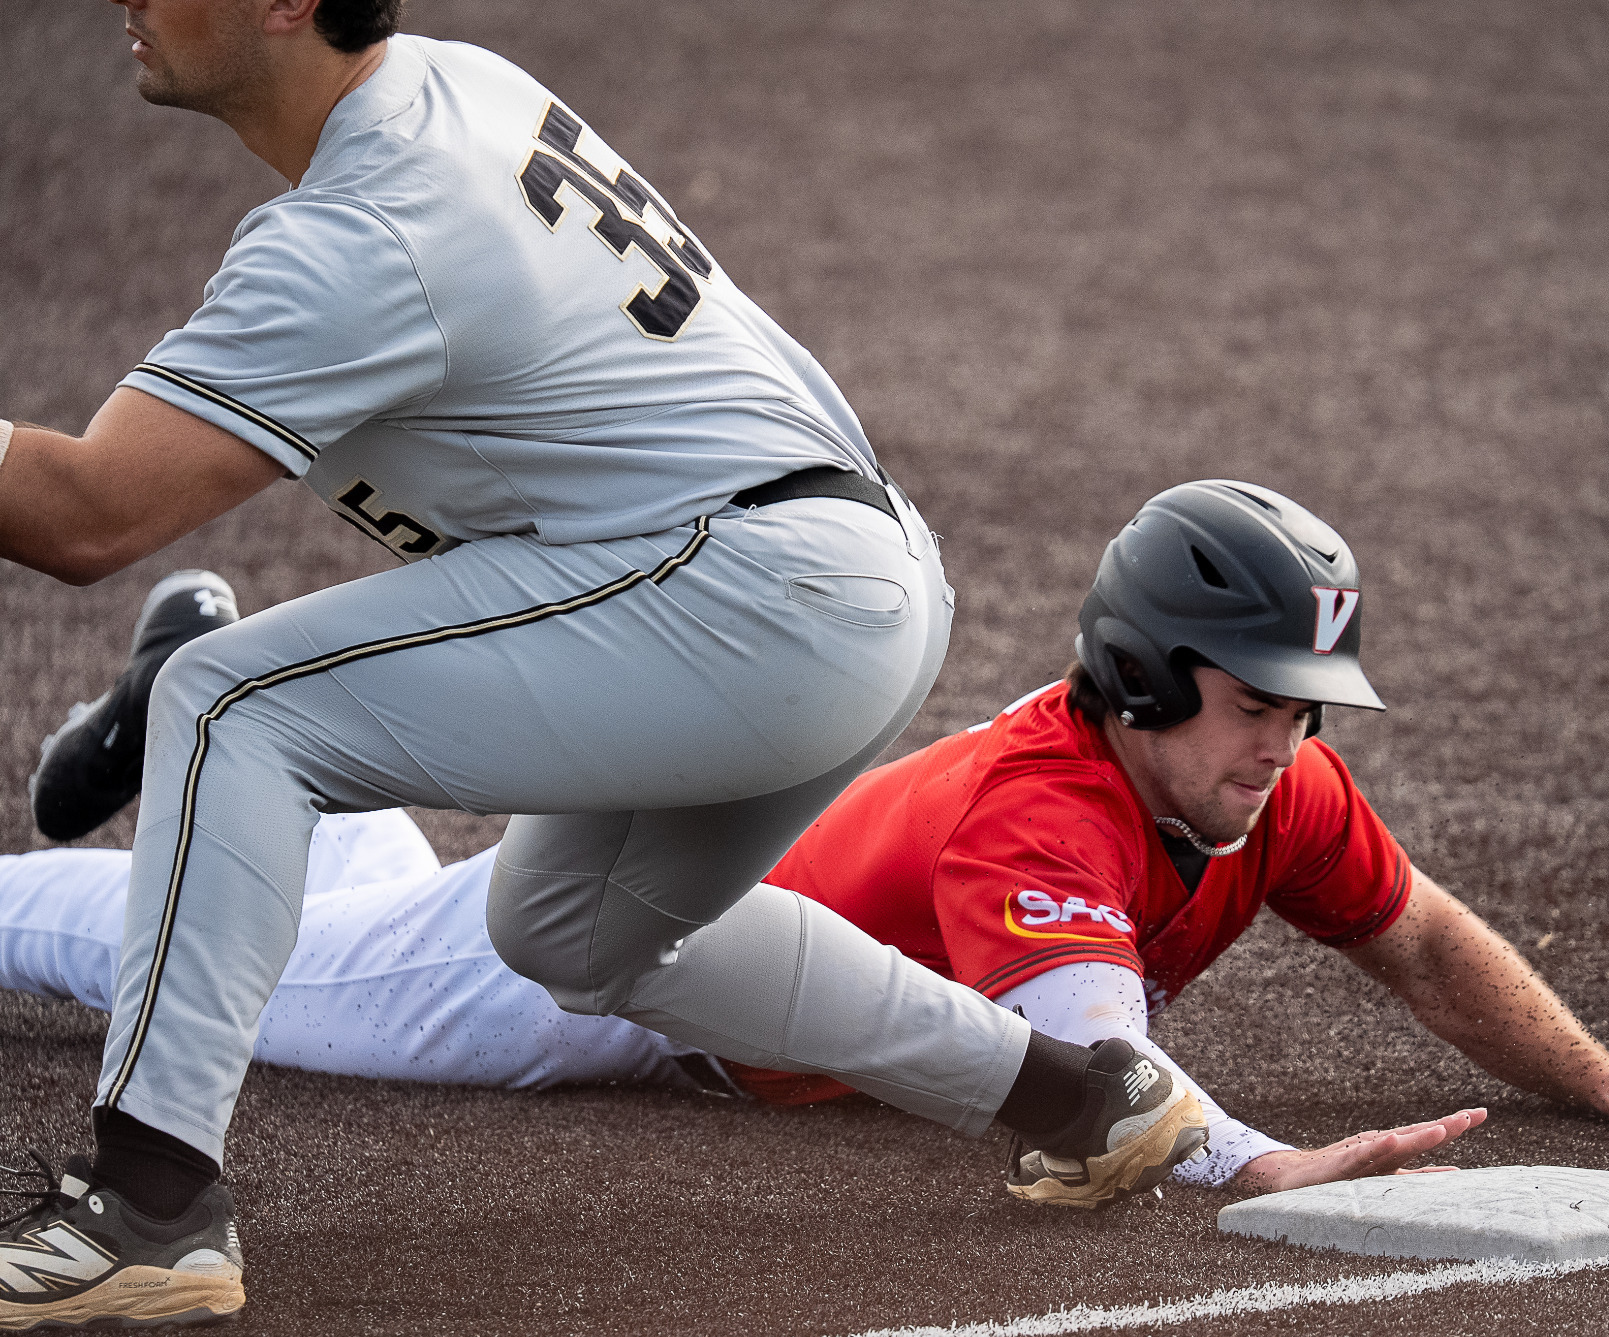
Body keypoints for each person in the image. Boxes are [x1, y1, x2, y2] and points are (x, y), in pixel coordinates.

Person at [0, 4, 1205, 1329]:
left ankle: (151, 1198)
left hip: (747, 593)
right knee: (565, 927)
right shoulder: (456, 89)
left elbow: (84, 514)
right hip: (862, 582)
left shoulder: (362, 228)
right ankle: (1079, 1096)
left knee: (228, 701)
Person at [8, 482, 1609, 1205]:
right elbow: (1100, 1075)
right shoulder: (1040, 808)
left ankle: (192, 707)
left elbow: (1426, 941)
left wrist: (1602, 1082)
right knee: (230, 968)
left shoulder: (1268, 788)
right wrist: (1263, 1166)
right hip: (619, 982)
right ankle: (148, 789)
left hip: (680, 955)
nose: (1292, 735)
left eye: (1310, 700)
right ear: (1136, 673)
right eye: (1258, 694)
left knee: (356, 897)